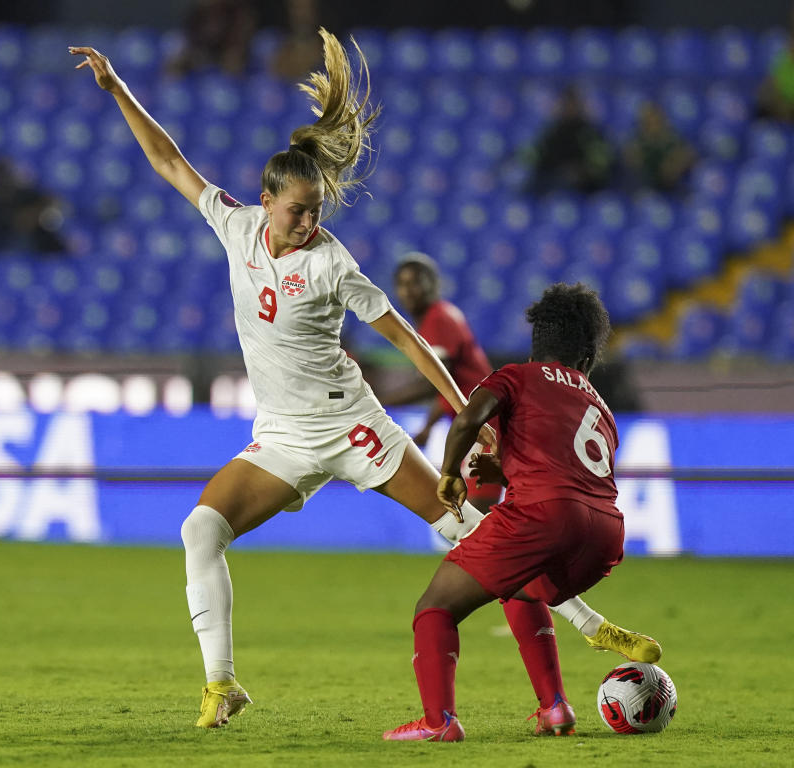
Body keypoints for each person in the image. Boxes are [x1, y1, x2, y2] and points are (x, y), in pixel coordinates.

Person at [70, 33, 657, 732]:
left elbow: (407, 341)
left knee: (467, 529)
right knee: (199, 530)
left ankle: (589, 624)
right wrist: (117, 90)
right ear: (266, 202)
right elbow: (168, 159)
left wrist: (475, 415)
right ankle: (221, 683)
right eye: (299, 211)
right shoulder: (233, 224)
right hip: (283, 436)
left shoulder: (332, 263)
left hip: (353, 426)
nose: (312, 221)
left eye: (318, 209)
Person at [383, 283, 650, 742]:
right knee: (522, 589)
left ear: (536, 345)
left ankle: (438, 722)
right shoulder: (601, 407)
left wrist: (451, 474)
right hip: (606, 533)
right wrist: (507, 467)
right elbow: (571, 474)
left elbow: (468, 417)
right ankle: (555, 708)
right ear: (587, 357)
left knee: (435, 608)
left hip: (542, 518)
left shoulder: (518, 376)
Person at [382, 252, 502, 514]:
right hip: (477, 424)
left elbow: (431, 383)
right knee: (473, 510)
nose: (408, 290)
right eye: (402, 284)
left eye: (415, 282)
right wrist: (428, 425)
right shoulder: (438, 318)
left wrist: (381, 401)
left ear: (432, 285)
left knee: (476, 513)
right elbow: (448, 386)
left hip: (485, 426)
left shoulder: (438, 319)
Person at [525, 85, 614, 194]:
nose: (570, 108)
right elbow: (538, 157)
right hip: (555, 181)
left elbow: (601, 162)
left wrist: (582, 172)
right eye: (566, 104)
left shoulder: (591, 133)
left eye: (573, 104)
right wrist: (560, 171)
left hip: (587, 186)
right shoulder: (553, 132)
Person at [0, 157, 67, 254]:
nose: (4, 178)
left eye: (7, 173)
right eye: (0, 174)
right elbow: (18, 222)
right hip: (3, 240)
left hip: (30, 240)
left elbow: (55, 203)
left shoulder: (26, 194)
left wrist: (37, 212)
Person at [164, 0, 257, 77]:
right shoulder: (197, 14)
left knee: (233, 60)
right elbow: (190, 36)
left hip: (228, 53)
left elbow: (241, 41)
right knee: (177, 62)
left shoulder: (236, 12)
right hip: (202, 54)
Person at [622, 103, 696, 193]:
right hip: (644, 191)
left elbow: (687, 156)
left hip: (673, 191)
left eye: (656, 121)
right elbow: (633, 162)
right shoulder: (635, 144)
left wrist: (675, 165)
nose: (654, 125)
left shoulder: (673, 140)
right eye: (649, 122)